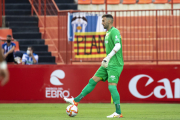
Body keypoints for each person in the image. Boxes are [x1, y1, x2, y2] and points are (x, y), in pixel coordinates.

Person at [64, 14, 124, 118]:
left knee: (112, 87)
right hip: (108, 63)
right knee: (92, 81)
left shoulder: (115, 31)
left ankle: (118, 112)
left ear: (109, 21)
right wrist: (107, 59)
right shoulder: (108, 33)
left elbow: (118, 45)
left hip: (115, 64)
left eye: (103, 20)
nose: (102, 22)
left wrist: (108, 57)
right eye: (102, 20)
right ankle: (76, 100)